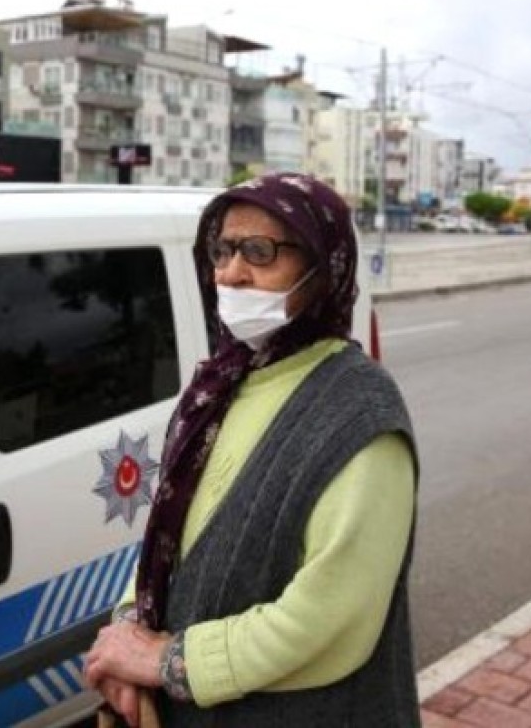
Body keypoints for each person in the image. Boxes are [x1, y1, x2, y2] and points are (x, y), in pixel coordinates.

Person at [84, 173, 420, 726]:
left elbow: (333, 619)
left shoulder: (361, 414)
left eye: (259, 252)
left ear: (320, 268)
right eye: (222, 249)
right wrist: (129, 626)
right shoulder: (221, 384)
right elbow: (169, 534)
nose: (231, 272)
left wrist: (169, 661)